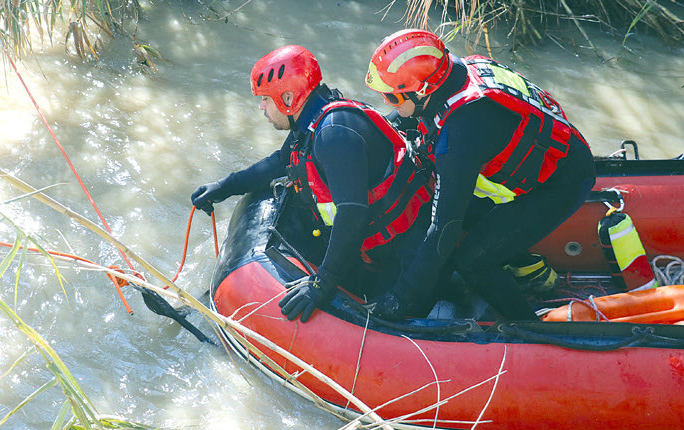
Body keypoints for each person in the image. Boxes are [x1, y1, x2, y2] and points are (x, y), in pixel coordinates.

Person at [191, 45, 436, 322]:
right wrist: (224, 187)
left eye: (265, 100)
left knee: (382, 318)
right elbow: (279, 162)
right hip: (380, 246)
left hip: (407, 256)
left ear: (287, 98)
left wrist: (321, 285)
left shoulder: (333, 135)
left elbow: (352, 215)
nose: (261, 107)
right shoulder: (313, 119)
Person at [364, 29, 597, 321]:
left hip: (561, 182)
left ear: (423, 90)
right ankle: (524, 266)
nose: (388, 102)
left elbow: (444, 228)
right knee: (469, 217)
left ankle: (532, 328)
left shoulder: (460, 135)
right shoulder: (456, 72)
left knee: (472, 260)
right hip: (553, 152)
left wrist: (401, 298)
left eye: (392, 97)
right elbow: (412, 117)